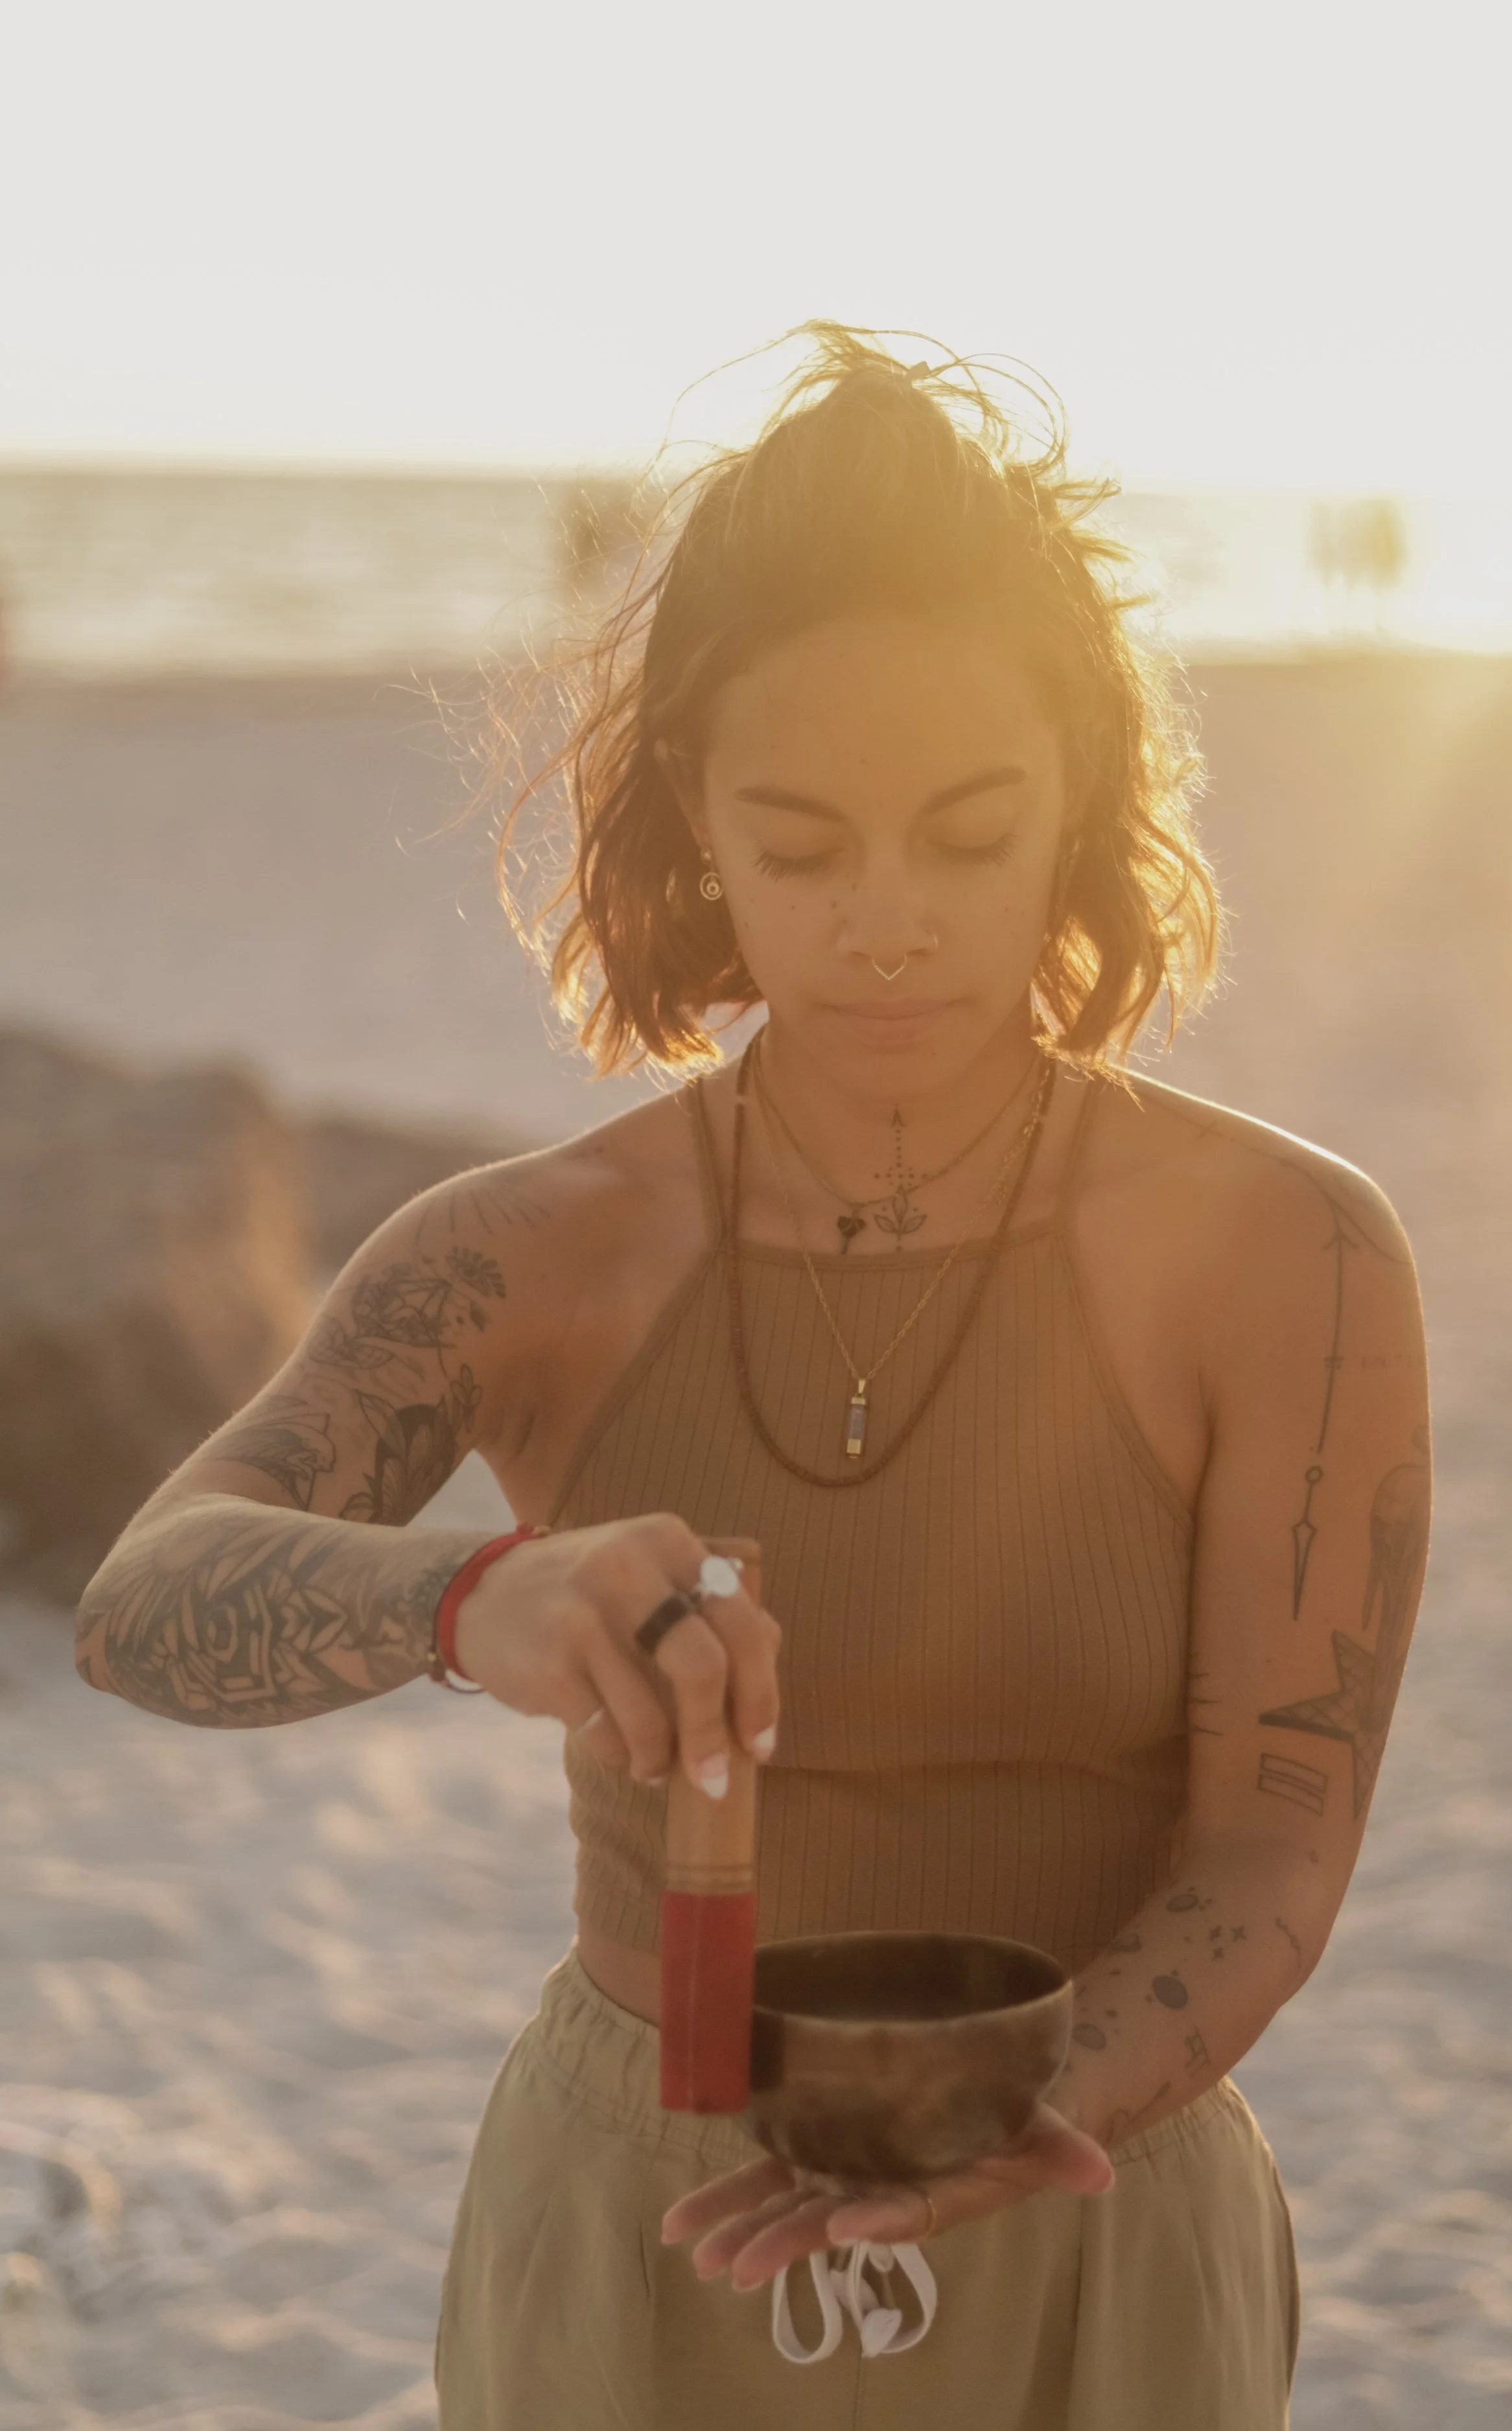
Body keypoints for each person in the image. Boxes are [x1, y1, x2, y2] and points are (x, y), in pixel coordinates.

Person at [75, 324, 1431, 2428]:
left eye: (967, 834)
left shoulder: (1288, 1257)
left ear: (1081, 794)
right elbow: (148, 1601)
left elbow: (1273, 1835)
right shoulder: (528, 1251)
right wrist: (469, 1600)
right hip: (635, 2219)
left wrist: (1006, 2108)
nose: (886, 921)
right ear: (691, 818)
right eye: (800, 847)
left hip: (1090, 2194)